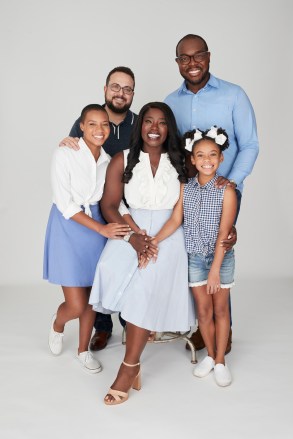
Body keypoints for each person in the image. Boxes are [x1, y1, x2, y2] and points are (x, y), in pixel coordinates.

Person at [89, 102, 196, 405]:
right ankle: (131, 347)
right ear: (140, 126)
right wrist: (135, 237)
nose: (154, 127)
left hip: (170, 233)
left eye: (161, 122)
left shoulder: (182, 162)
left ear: (169, 128)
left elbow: (188, 206)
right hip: (130, 227)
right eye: (148, 121)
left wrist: (153, 242)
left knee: (145, 284)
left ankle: (129, 366)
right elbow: (109, 206)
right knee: (110, 266)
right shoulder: (122, 160)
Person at [165, 34, 259, 352]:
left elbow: (250, 144)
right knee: (193, 254)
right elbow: (170, 148)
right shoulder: (171, 102)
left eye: (198, 55)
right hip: (191, 195)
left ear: (208, 56)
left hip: (224, 193)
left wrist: (231, 182)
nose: (192, 63)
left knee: (220, 249)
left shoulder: (234, 95)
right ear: (178, 62)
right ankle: (203, 324)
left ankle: (224, 330)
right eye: (184, 58)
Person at [43, 104, 130, 373]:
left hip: (96, 225)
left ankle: (83, 351)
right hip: (69, 226)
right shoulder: (64, 153)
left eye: (104, 124)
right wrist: (102, 229)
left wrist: (129, 227)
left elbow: (112, 199)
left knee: (92, 298)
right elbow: (65, 204)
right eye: (92, 124)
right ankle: (58, 323)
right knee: (76, 304)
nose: (99, 130)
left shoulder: (107, 160)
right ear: (81, 126)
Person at [60, 66, 138, 351]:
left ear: (132, 94)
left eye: (127, 89)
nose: (121, 93)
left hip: (128, 204)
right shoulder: (87, 121)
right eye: (115, 87)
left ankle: (132, 323)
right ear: (105, 89)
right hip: (94, 208)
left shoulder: (140, 124)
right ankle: (102, 327)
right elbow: (73, 157)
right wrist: (66, 142)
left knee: (129, 262)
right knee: (99, 270)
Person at [152, 126, 237, 386]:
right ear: (192, 159)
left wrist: (215, 269)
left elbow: (225, 233)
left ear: (221, 158)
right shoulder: (185, 188)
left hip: (220, 259)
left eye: (213, 155)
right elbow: (176, 219)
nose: (207, 160)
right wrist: (153, 240)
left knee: (221, 310)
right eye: (200, 155)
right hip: (195, 258)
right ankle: (210, 355)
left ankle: (221, 360)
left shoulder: (227, 191)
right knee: (203, 311)